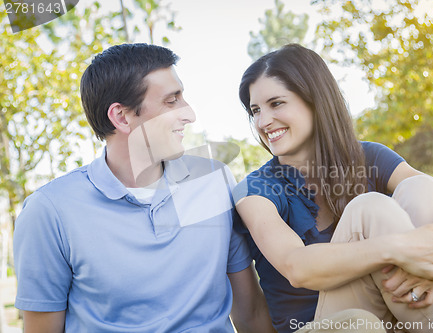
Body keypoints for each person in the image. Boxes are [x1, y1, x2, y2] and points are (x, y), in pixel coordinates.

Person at [13, 43, 275, 333]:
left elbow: (249, 313)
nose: (189, 114)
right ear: (122, 117)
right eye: (171, 101)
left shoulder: (213, 179)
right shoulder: (49, 210)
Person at [233, 44, 433, 333]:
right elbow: (297, 267)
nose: (263, 121)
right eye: (255, 110)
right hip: (324, 325)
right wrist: (401, 248)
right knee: (369, 208)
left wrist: (432, 255)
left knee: (422, 188)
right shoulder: (254, 189)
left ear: (314, 100)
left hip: (393, 312)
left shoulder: (369, 156)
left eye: (276, 103)